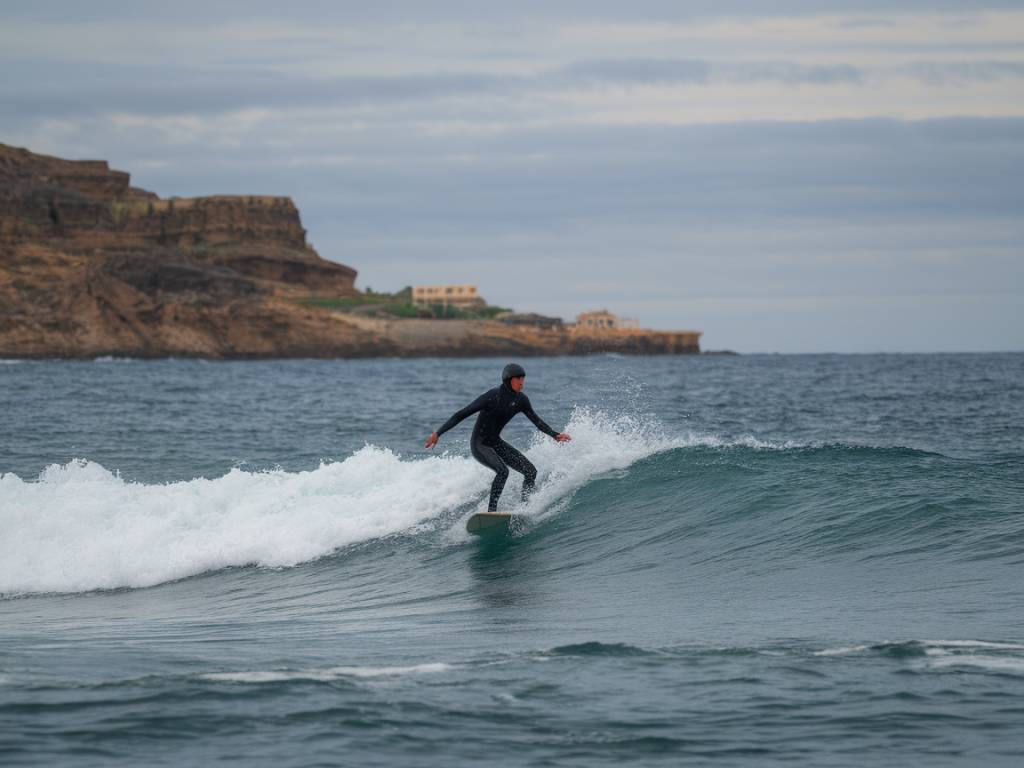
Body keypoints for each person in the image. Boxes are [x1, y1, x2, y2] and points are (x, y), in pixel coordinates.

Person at [424, 363, 571, 512]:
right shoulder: (491, 396)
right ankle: (491, 512)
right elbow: (461, 414)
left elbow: (537, 421)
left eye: (523, 379)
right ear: (508, 379)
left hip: (496, 443)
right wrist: (438, 433)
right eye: (518, 379)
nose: (521, 382)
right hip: (479, 444)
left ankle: (526, 507)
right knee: (503, 472)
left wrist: (555, 435)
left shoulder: (522, 400)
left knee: (530, 471)